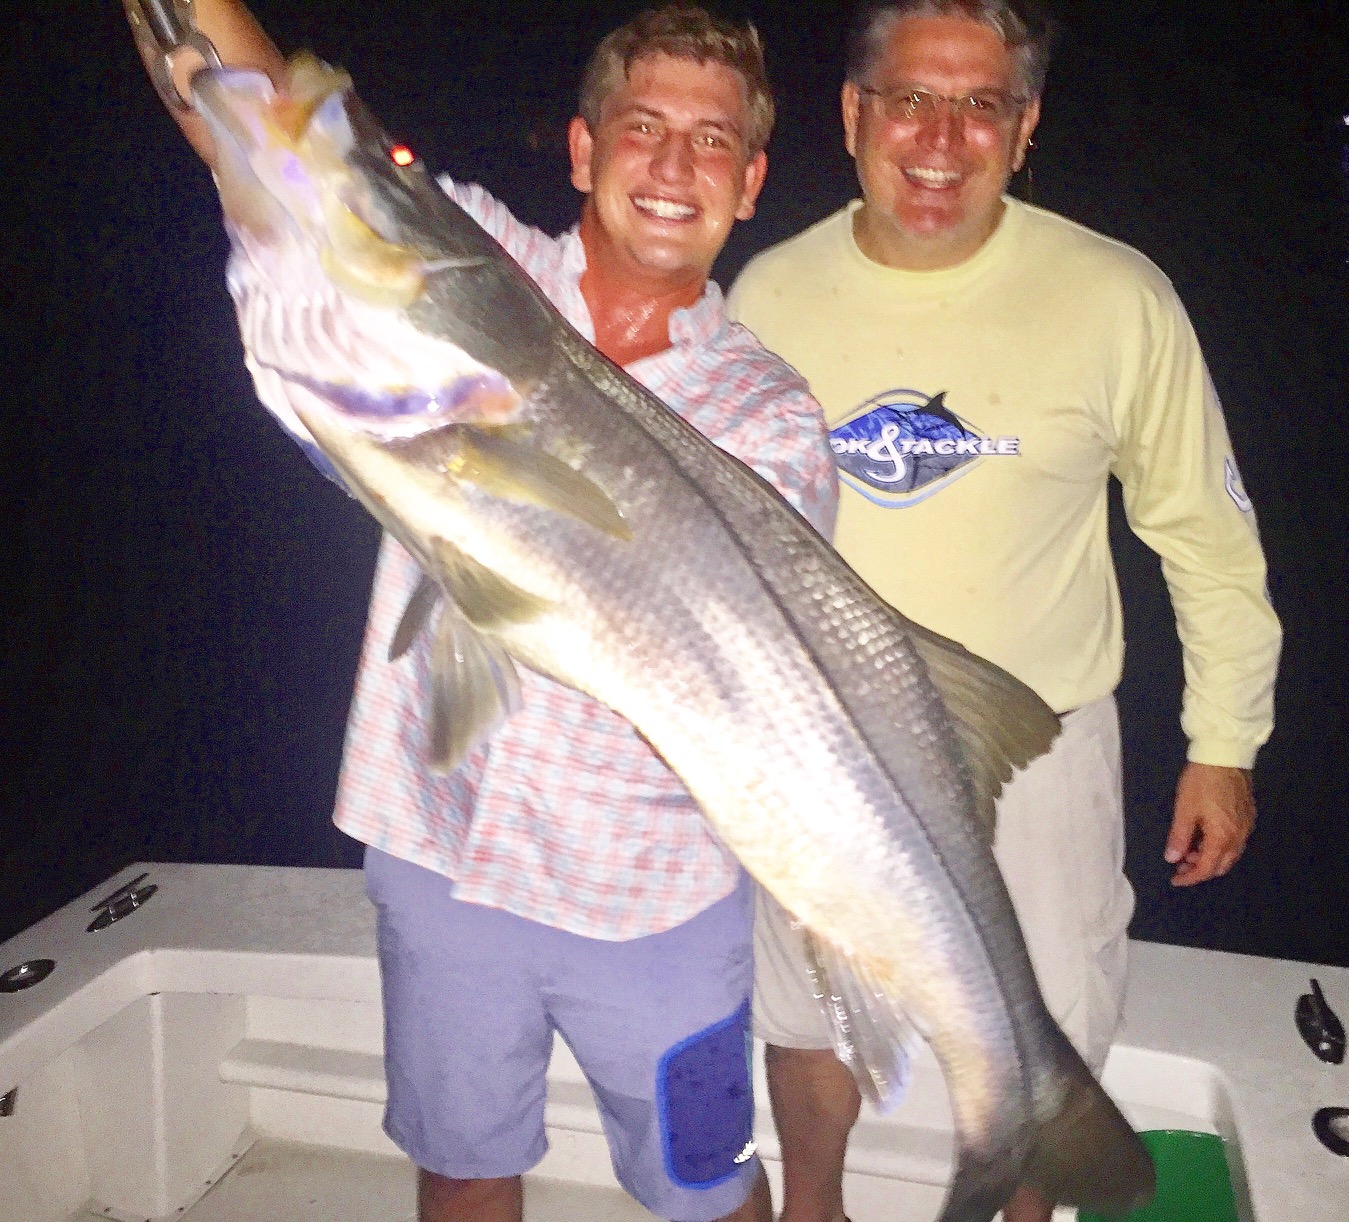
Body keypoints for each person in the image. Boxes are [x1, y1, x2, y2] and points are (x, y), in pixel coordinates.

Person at [126, 3, 838, 1221]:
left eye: (711, 141)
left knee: (705, 1187)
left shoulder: (768, 415)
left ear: (752, 181)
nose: (671, 166)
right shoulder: (476, 259)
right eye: (641, 126)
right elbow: (281, 146)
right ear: (580, 150)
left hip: (652, 890)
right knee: (462, 1160)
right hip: (441, 844)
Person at [727, 3, 1281, 1221]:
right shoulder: (767, 292)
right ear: (851, 114)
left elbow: (1205, 535)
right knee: (803, 1004)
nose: (941, 138)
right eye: (910, 99)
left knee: (1047, 1030)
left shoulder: (1114, 296)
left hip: (1038, 741)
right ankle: (811, 1204)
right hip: (819, 742)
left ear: (1023, 128)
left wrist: (1221, 745)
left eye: (980, 104)